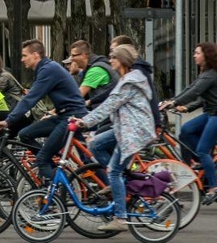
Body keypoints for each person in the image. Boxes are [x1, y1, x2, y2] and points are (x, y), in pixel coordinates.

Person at [74, 44, 155, 232]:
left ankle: (121, 218)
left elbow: (109, 105)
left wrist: (84, 122)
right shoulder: (126, 78)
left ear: (123, 60)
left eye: (114, 58)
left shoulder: (129, 82)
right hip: (124, 129)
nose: (110, 61)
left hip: (132, 132)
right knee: (95, 144)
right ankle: (118, 184)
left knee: (114, 171)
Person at [0, 39, 88, 181]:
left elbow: (31, 98)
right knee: (25, 134)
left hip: (72, 117)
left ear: (35, 55)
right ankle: (52, 170)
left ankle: (61, 188)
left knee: (42, 159)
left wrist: (9, 121)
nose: (22, 59)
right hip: (63, 115)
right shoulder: (45, 69)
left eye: (24, 55)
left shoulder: (48, 70)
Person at [161, 42, 217, 205]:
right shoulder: (206, 73)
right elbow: (191, 88)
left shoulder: (212, 74)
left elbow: (194, 92)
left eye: (197, 53)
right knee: (186, 130)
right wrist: (172, 101)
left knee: (203, 150)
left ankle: (214, 188)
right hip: (210, 113)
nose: (194, 55)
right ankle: (195, 163)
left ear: (207, 55)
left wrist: (174, 104)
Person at [90, 35, 162, 171]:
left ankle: (122, 177)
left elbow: (113, 101)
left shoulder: (134, 74)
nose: (110, 58)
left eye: (114, 53)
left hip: (132, 126)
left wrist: (156, 120)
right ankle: (121, 175)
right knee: (98, 143)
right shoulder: (128, 75)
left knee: (113, 168)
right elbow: (114, 95)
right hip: (125, 123)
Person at [69, 40, 120, 109]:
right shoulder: (89, 68)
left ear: (83, 55)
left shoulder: (96, 70)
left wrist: (55, 111)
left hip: (106, 113)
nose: (71, 59)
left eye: (73, 56)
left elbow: (78, 95)